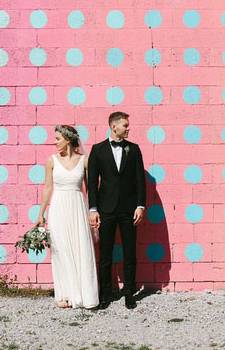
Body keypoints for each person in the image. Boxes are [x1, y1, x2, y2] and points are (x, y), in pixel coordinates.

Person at [35, 125, 99, 309]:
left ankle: (85, 295)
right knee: (61, 249)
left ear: (68, 139)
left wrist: (93, 211)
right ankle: (64, 294)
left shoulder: (84, 161)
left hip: (78, 206)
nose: (55, 142)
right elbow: (48, 188)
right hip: (59, 207)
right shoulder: (52, 161)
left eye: (57, 138)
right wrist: (41, 214)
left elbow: (91, 189)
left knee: (81, 248)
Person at [88, 111, 146, 309]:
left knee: (130, 253)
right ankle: (105, 293)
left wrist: (140, 206)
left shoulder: (134, 149)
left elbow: (140, 181)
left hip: (129, 210)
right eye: (125, 125)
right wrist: (93, 209)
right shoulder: (97, 150)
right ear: (114, 127)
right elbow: (92, 182)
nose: (129, 128)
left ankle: (130, 292)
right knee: (105, 253)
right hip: (106, 209)